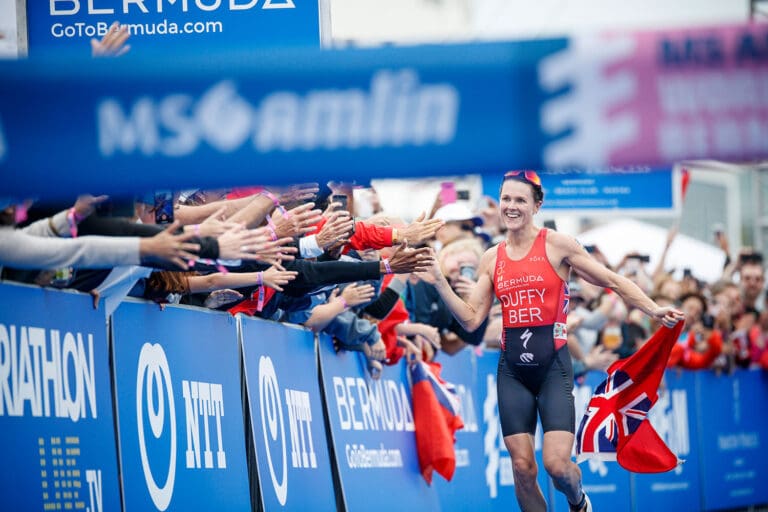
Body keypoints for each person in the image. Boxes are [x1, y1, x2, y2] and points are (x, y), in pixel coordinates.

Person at [424, 170, 684, 512]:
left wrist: (652, 309)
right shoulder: (491, 257)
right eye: (506, 199)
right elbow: (472, 319)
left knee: (558, 466)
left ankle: (578, 502)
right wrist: (440, 283)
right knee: (522, 468)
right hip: (512, 371)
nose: (511, 207)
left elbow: (612, 281)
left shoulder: (556, 244)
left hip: (553, 368)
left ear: (537, 205)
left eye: (520, 200)